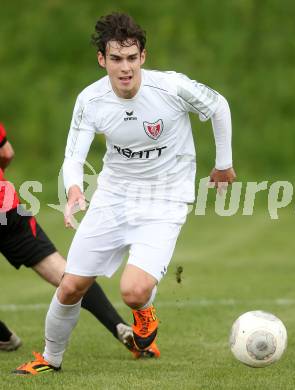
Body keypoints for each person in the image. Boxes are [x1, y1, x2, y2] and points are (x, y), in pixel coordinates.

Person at [14, 12, 236, 374]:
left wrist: (223, 163)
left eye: (132, 58)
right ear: (102, 60)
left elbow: (218, 106)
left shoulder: (170, 88)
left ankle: (144, 315)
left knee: (133, 291)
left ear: (143, 57)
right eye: (116, 58)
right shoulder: (91, 100)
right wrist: (73, 189)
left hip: (165, 199)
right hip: (113, 197)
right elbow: (74, 156)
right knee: (71, 286)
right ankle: (49, 360)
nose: (125, 67)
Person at [0, 122, 158, 359]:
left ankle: (4, 336)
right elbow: (6, 152)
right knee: (67, 275)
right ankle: (119, 327)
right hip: (7, 207)